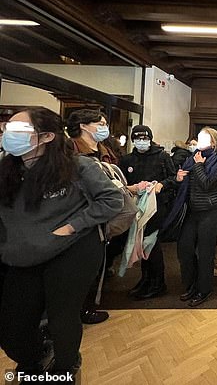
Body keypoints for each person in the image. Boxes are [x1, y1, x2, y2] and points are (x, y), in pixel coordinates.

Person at [0, 107, 123, 380]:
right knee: (12, 329)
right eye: (7, 128)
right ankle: (34, 359)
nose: (9, 134)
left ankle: (65, 367)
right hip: (21, 253)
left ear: (46, 137)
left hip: (71, 250)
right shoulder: (6, 169)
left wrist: (72, 226)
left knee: (62, 318)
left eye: (19, 130)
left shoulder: (77, 166)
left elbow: (113, 201)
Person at [65, 108, 118, 324]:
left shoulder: (105, 148)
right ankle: (79, 310)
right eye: (100, 123)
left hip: (102, 212)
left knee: (95, 263)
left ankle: (87, 305)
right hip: (83, 212)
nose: (104, 128)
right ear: (84, 126)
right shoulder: (71, 150)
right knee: (79, 268)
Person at [168, 127, 217, 307]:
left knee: (205, 252)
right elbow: (185, 182)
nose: (200, 141)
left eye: (205, 138)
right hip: (191, 211)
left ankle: (204, 288)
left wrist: (199, 165)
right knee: (185, 249)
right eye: (199, 137)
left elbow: (207, 184)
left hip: (210, 211)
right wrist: (179, 178)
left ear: (214, 142)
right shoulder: (191, 158)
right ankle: (191, 284)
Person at [119, 125, 176, 300]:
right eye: (137, 138)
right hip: (135, 208)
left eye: (144, 138)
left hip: (156, 208)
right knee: (140, 244)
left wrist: (161, 185)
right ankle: (145, 279)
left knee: (151, 244)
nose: (141, 142)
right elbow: (122, 183)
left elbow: (173, 178)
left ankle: (158, 283)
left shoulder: (162, 157)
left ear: (150, 139)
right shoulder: (127, 159)